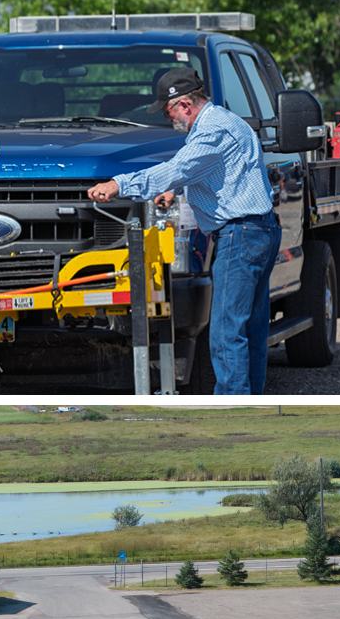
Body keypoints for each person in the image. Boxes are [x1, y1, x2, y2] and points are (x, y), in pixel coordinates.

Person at [88, 66, 275, 396]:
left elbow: (176, 168)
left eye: (167, 110)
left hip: (240, 236)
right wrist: (178, 191)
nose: (167, 118)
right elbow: (224, 174)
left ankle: (232, 410)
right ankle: (251, 404)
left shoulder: (211, 131)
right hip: (260, 229)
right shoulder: (227, 121)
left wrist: (119, 183)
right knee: (251, 329)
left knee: (225, 332)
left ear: (184, 105)